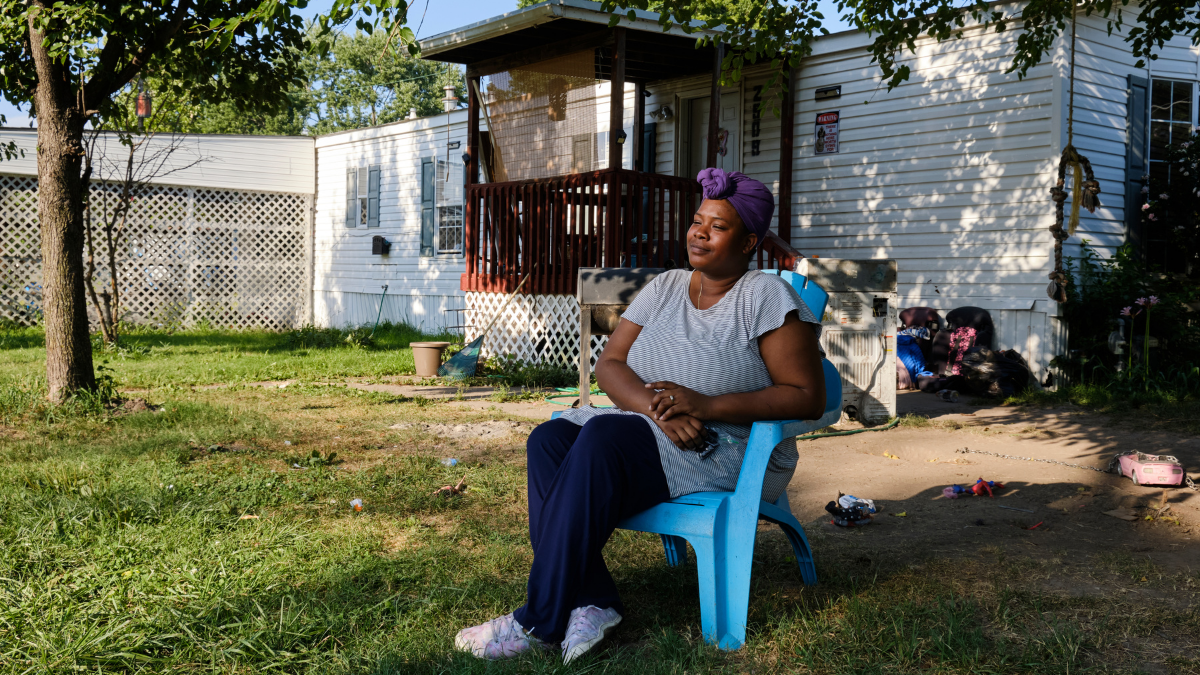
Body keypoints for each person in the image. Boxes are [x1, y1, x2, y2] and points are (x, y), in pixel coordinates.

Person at [454, 168, 827, 664]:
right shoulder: (667, 285)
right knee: (547, 439)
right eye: (698, 221)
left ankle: (538, 621)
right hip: (655, 430)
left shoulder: (766, 296)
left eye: (718, 226)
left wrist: (706, 405)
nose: (699, 232)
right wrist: (663, 411)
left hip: (723, 447)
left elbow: (806, 396)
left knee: (604, 433)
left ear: (749, 242)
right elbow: (610, 364)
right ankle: (595, 600)